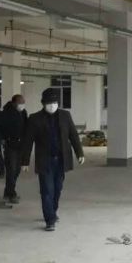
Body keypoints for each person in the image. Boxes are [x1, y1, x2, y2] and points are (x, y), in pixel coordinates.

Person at [21, 89, 85, 231]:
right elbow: (28, 141)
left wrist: (79, 153)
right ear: (43, 104)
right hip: (45, 160)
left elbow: (73, 135)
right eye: (49, 103)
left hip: (61, 160)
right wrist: (25, 161)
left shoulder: (65, 115)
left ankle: (53, 211)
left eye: (55, 103)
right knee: (46, 190)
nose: (52, 106)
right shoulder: (34, 119)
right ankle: (49, 220)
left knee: (57, 189)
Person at [0, 95, 28, 204]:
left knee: (17, 170)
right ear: (14, 103)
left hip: (21, 145)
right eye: (20, 102)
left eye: (23, 102)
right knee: (11, 169)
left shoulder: (23, 112)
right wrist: (2, 138)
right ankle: (12, 194)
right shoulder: (6, 113)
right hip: (10, 144)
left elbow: (26, 126)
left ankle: (7, 192)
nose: (22, 104)